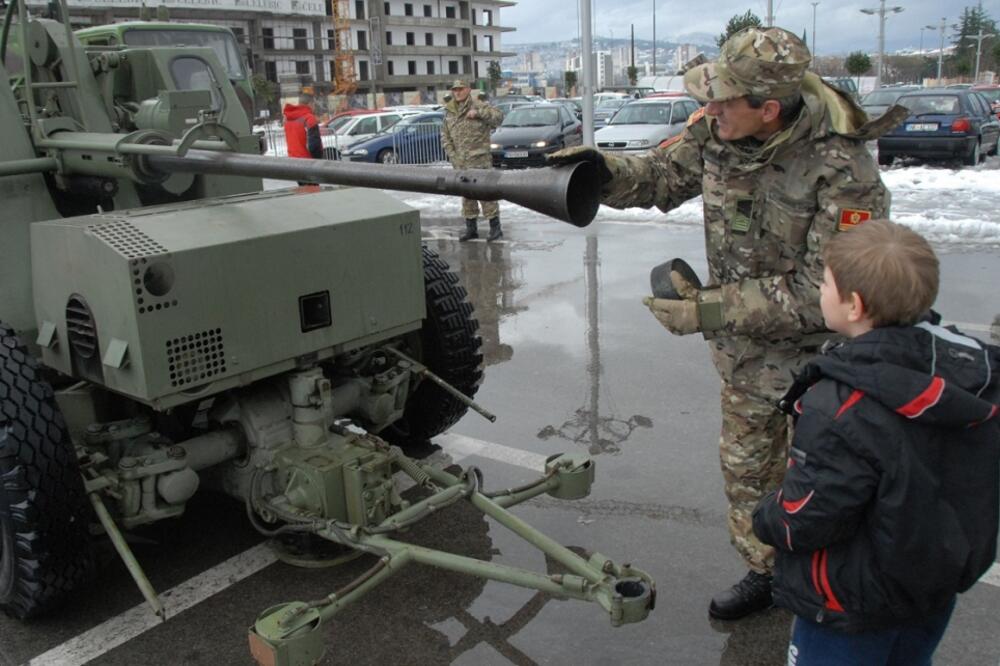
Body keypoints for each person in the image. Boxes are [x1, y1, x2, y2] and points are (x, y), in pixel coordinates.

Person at [547, 27, 908, 620]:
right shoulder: (717, 131)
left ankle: (832, 593)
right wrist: (599, 170)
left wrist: (706, 310)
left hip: (824, 371)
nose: (707, 109)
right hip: (745, 363)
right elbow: (662, 177)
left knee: (825, 490)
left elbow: (828, 295)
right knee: (747, 476)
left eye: (721, 101)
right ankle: (766, 575)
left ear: (768, 109)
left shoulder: (844, 170)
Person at [752, 219, 999, 665]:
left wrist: (767, 515)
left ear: (854, 306)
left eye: (824, 282)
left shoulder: (838, 404)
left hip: (849, 604)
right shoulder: (972, 371)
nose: (819, 290)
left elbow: (809, 516)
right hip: (930, 588)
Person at [441, 80, 504, 242]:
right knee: (467, 196)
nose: (458, 92)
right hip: (461, 163)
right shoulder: (449, 111)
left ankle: (495, 228)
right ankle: (471, 229)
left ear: (468, 89)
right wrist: (452, 155)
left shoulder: (479, 105)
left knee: (486, 194)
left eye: (461, 89)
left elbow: (498, 118)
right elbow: (446, 137)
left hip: (479, 160)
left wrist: (479, 113)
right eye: (455, 90)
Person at [283, 93, 323, 168]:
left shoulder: (287, 119)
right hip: (308, 163)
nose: (314, 107)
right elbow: (314, 146)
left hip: (293, 161)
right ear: (310, 104)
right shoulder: (309, 118)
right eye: (314, 104)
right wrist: (319, 160)